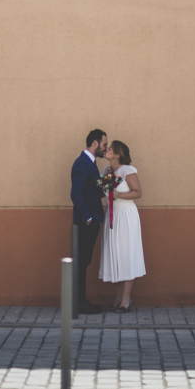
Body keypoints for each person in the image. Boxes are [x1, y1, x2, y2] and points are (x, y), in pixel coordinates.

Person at [99, 139, 145, 312]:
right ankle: (117, 297)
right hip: (112, 217)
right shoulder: (106, 171)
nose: (106, 150)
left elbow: (138, 192)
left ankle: (126, 299)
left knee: (127, 255)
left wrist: (119, 195)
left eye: (109, 148)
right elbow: (102, 192)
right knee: (115, 256)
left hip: (126, 217)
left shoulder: (127, 170)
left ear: (117, 154)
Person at [70, 129, 107, 314]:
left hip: (91, 220)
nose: (105, 148)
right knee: (81, 262)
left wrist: (112, 180)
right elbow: (75, 194)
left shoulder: (90, 164)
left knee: (83, 261)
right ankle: (79, 302)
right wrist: (89, 218)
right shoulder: (83, 163)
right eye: (104, 145)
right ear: (95, 143)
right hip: (86, 222)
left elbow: (94, 191)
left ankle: (80, 301)